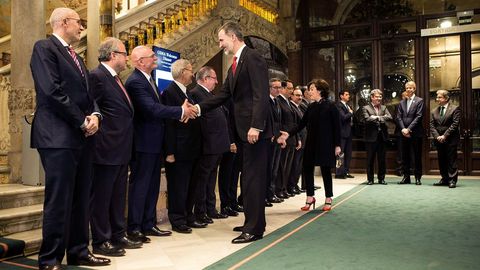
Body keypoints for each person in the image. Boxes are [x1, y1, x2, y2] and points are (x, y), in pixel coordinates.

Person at [30, 7, 110, 269]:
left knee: (81, 197)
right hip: (57, 136)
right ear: (64, 22)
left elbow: (89, 96)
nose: (81, 27)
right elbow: (51, 91)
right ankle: (50, 258)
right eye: (79, 22)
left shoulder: (76, 56)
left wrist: (96, 115)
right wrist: (81, 120)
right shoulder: (44, 48)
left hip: (81, 136)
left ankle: (78, 251)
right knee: (59, 198)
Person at [195, 22, 272, 244]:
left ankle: (254, 229)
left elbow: (261, 94)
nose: (220, 45)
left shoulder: (253, 57)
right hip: (242, 131)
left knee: (253, 180)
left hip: (253, 131)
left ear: (232, 36)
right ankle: (254, 222)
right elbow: (223, 95)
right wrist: (199, 107)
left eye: (221, 40)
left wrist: (256, 125)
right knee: (248, 179)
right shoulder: (234, 65)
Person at [126, 46, 196, 242]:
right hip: (143, 143)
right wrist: (179, 111)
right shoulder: (135, 82)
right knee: (140, 187)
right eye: (151, 56)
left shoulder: (148, 79)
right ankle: (134, 227)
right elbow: (151, 109)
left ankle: (148, 224)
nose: (155, 58)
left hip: (154, 144)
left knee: (152, 186)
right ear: (140, 61)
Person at [89, 37, 143, 257]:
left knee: (118, 196)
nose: (127, 57)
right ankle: (101, 240)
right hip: (105, 148)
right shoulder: (97, 76)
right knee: (102, 197)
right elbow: (91, 107)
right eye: (124, 53)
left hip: (121, 149)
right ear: (113, 55)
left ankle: (118, 234)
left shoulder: (117, 78)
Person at [163, 59, 206, 233]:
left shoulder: (189, 93)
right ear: (182, 72)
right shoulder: (169, 93)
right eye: (190, 70)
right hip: (179, 150)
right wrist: (170, 151)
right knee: (178, 187)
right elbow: (168, 125)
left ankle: (189, 216)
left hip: (192, 148)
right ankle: (178, 219)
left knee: (191, 185)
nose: (193, 73)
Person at [288, 79, 341, 212]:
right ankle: (310, 197)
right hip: (311, 142)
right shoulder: (311, 107)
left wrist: (337, 145)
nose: (309, 92)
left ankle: (328, 197)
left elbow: (337, 127)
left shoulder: (331, 106)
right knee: (307, 168)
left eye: (312, 89)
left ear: (320, 90)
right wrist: (288, 134)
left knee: (325, 170)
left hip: (326, 143)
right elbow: (301, 124)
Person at [189, 66, 230, 223]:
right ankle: (201, 211)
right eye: (214, 78)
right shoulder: (195, 94)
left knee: (211, 178)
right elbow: (199, 122)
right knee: (202, 180)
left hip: (217, 144)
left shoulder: (209, 94)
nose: (217, 81)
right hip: (207, 145)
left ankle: (211, 209)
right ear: (205, 79)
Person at [430, 90, 461, 188]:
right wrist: (437, 136)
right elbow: (431, 125)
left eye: (439, 97)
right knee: (441, 160)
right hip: (439, 139)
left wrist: (445, 135)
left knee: (451, 160)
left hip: (450, 139)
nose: (437, 99)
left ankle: (452, 180)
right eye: (437, 97)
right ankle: (444, 179)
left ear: (446, 98)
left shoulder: (455, 109)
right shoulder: (434, 111)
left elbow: (455, 124)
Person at [397, 81, 425, 185]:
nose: (409, 90)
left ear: (414, 89)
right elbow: (398, 117)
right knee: (405, 156)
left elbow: (419, 116)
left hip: (415, 133)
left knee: (417, 156)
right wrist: (403, 129)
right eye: (407, 88)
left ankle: (418, 177)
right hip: (403, 133)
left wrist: (409, 129)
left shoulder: (419, 101)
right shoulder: (402, 102)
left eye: (411, 88)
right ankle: (406, 177)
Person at [362, 89, 392, 185]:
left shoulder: (384, 107)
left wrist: (377, 117)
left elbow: (390, 117)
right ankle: (370, 179)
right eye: (377, 96)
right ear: (372, 97)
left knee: (382, 159)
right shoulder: (365, 108)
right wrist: (382, 118)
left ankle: (381, 179)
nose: (379, 98)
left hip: (382, 137)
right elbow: (367, 119)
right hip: (370, 138)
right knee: (370, 159)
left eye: (380, 97)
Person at [335, 90, 354, 179]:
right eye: (346, 94)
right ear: (341, 96)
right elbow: (343, 117)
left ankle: (346, 171)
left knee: (348, 153)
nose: (348, 96)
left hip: (349, 132)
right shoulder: (339, 105)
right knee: (340, 153)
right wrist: (350, 113)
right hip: (342, 133)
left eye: (348, 94)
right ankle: (339, 173)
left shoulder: (347, 105)